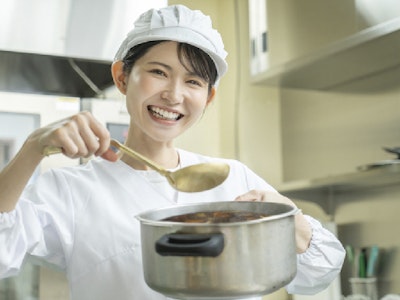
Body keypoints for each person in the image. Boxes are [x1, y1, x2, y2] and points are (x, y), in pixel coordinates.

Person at [0, 4, 345, 300]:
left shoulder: (233, 178)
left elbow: (320, 270)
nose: (174, 95)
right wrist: (32, 149)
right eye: (158, 72)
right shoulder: (71, 191)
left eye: (193, 81)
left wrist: (287, 216)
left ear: (208, 97)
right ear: (122, 77)